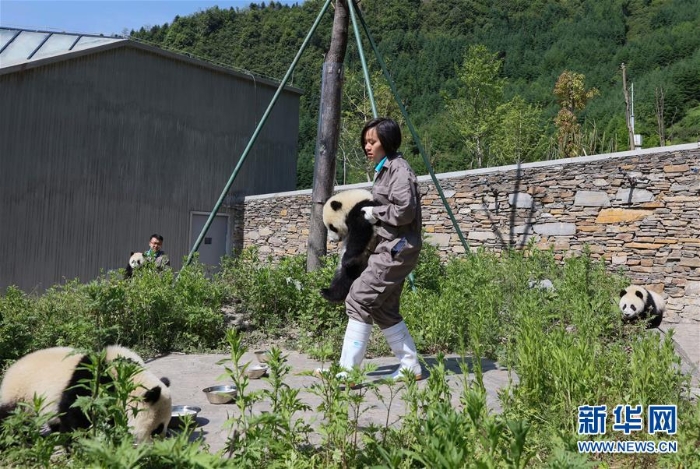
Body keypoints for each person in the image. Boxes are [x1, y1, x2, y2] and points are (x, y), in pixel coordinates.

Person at [328, 117, 423, 382]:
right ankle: (410, 365)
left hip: (398, 247)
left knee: (358, 299)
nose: (367, 146)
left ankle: (347, 373)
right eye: (365, 142)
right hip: (392, 246)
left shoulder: (399, 170)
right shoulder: (386, 169)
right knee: (383, 308)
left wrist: (375, 213)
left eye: (373, 141)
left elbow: (405, 211)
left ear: (387, 141)